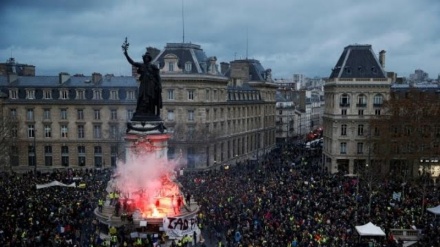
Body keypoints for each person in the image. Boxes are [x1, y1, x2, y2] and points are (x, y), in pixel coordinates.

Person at [122, 38, 162, 118]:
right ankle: (142, 111)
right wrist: (126, 54)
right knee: (142, 97)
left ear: (149, 59)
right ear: (144, 59)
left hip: (151, 85)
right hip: (144, 84)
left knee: (151, 98)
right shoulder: (141, 65)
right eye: (145, 58)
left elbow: (158, 76)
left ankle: (151, 112)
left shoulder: (153, 67)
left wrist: (159, 85)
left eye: (147, 58)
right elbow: (132, 62)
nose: (146, 59)